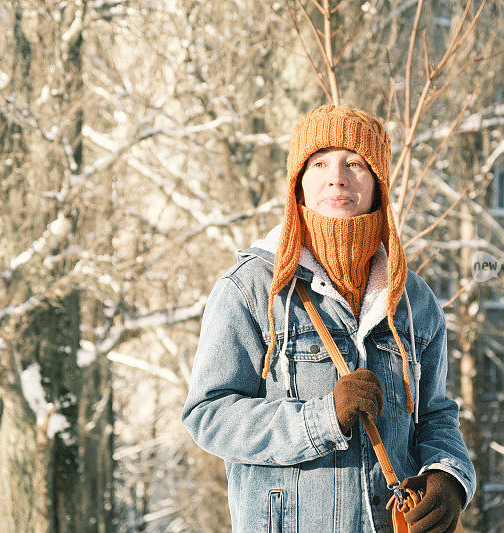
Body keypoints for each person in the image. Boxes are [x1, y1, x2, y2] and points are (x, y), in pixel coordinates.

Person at [181, 105, 475, 533]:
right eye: (319, 163)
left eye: (354, 163)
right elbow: (208, 415)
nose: (337, 177)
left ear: (378, 184)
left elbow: (435, 415)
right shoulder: (252, 289)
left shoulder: (412, 301)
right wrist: (322, 419)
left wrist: (448, 476)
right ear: (298, 184)